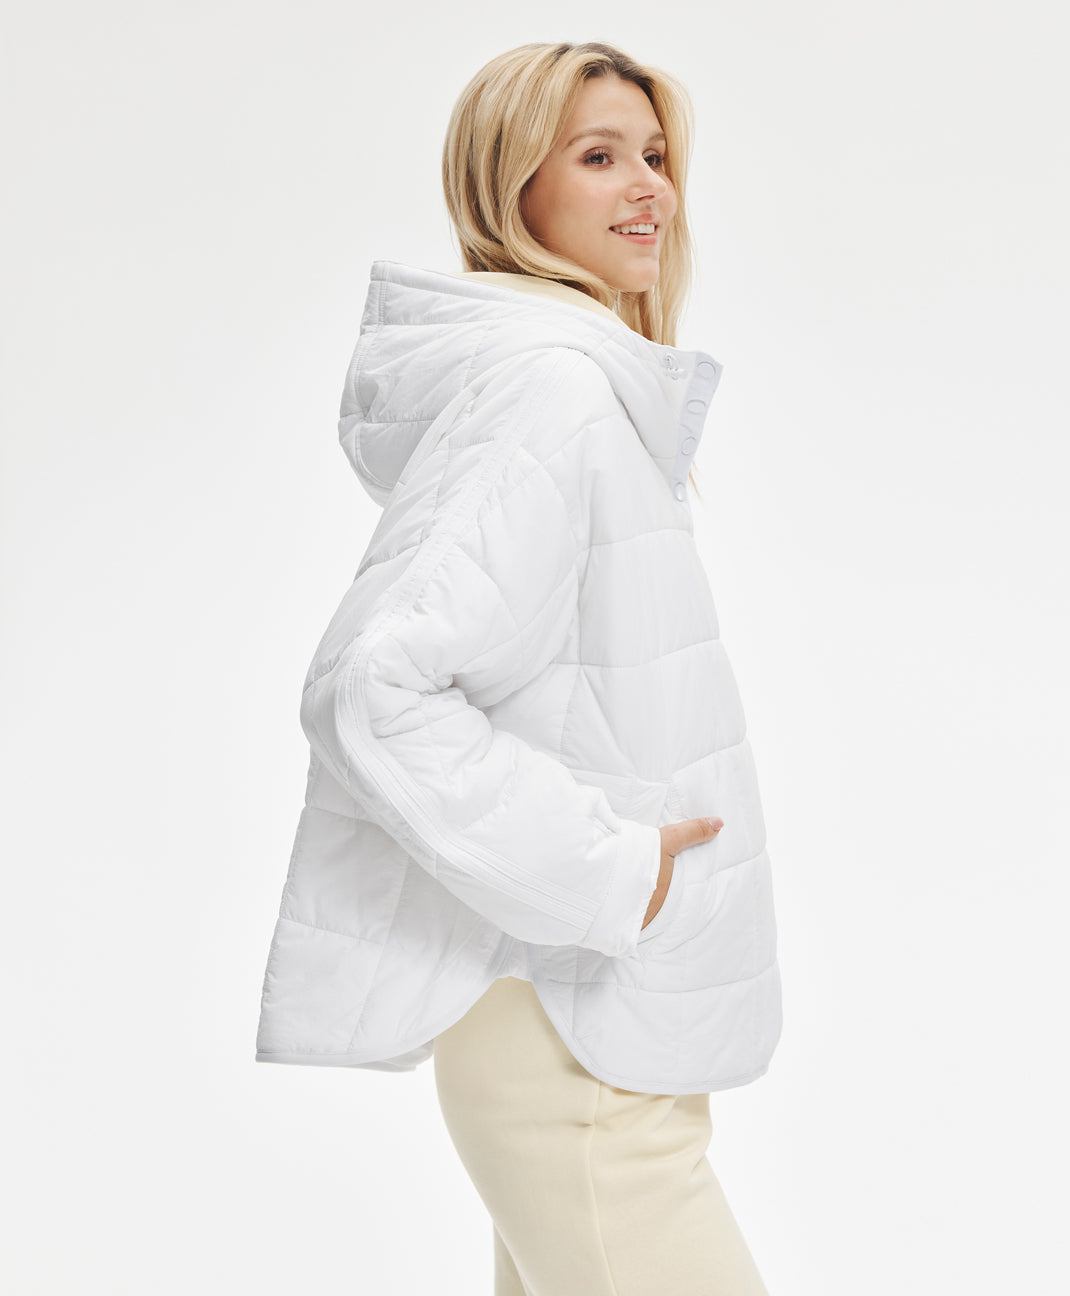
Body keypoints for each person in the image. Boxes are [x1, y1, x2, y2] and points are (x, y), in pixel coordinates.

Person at [255, 40, 782, 1296]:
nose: (650, 187)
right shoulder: (553, 391)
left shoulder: (586, 384)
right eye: (599, 157)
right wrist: (610, 867)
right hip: (569, 1040)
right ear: (511, 188)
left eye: (655, 154)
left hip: (589, 1030)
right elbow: (373, 687)